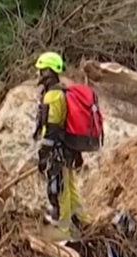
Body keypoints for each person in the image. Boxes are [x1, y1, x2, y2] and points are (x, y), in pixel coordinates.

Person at [32, 51, 103, 238]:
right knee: (69, 185)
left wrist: (44, 153)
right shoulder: (60, 91)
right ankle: (84, 221)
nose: (38, 75)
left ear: (48, 72)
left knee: (59, 188)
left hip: (58, 149)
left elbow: (53, 127)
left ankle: (62, 230)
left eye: (41, 70)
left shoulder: (53, 96)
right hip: (67, 148)